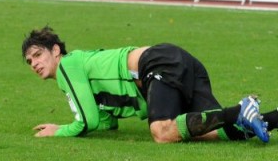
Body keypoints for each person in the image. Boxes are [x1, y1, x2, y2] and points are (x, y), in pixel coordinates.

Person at [20, 27, 271, 143]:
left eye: (38, 55)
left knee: (161, 132)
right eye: (29, 61)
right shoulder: (77, 68)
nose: (34, 63)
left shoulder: (67, 66)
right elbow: (106, 122)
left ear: (55, 51)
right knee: (219, 129)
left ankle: (241, 109)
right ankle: (263, 117)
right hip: (175, 60)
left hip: (158, 64)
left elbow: (88, 122)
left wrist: (58, 130)